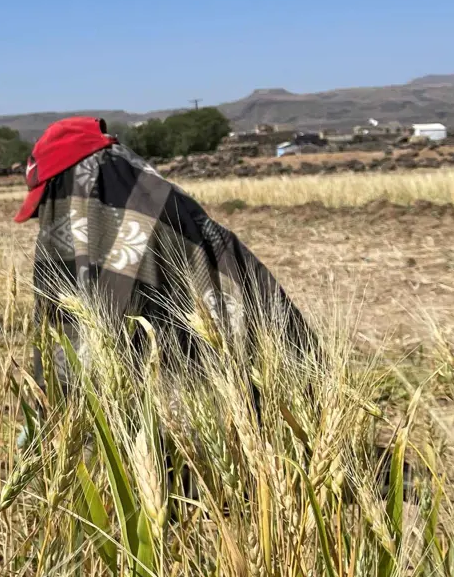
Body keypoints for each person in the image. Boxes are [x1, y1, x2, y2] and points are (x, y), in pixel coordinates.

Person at [16, 116, 314, 383]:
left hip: (205, 424)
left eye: (51, 205)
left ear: (79, 191)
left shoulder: (109, 255)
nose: (48, 224)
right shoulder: (181, 218)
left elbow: (82, 369)